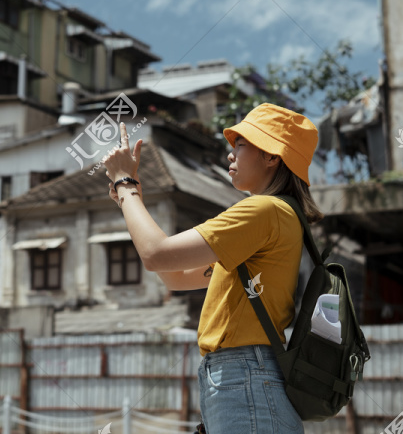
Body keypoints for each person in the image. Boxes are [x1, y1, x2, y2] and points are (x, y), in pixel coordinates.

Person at [102, 103, 323, 434]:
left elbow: (156, 254)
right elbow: (173, 276)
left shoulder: (262, 210)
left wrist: (125, 182)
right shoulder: (277, 218)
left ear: (272, 157)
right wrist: (130, 199)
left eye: (242, 144)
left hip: (245, 375)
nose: (230, 154)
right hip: (245, 375)